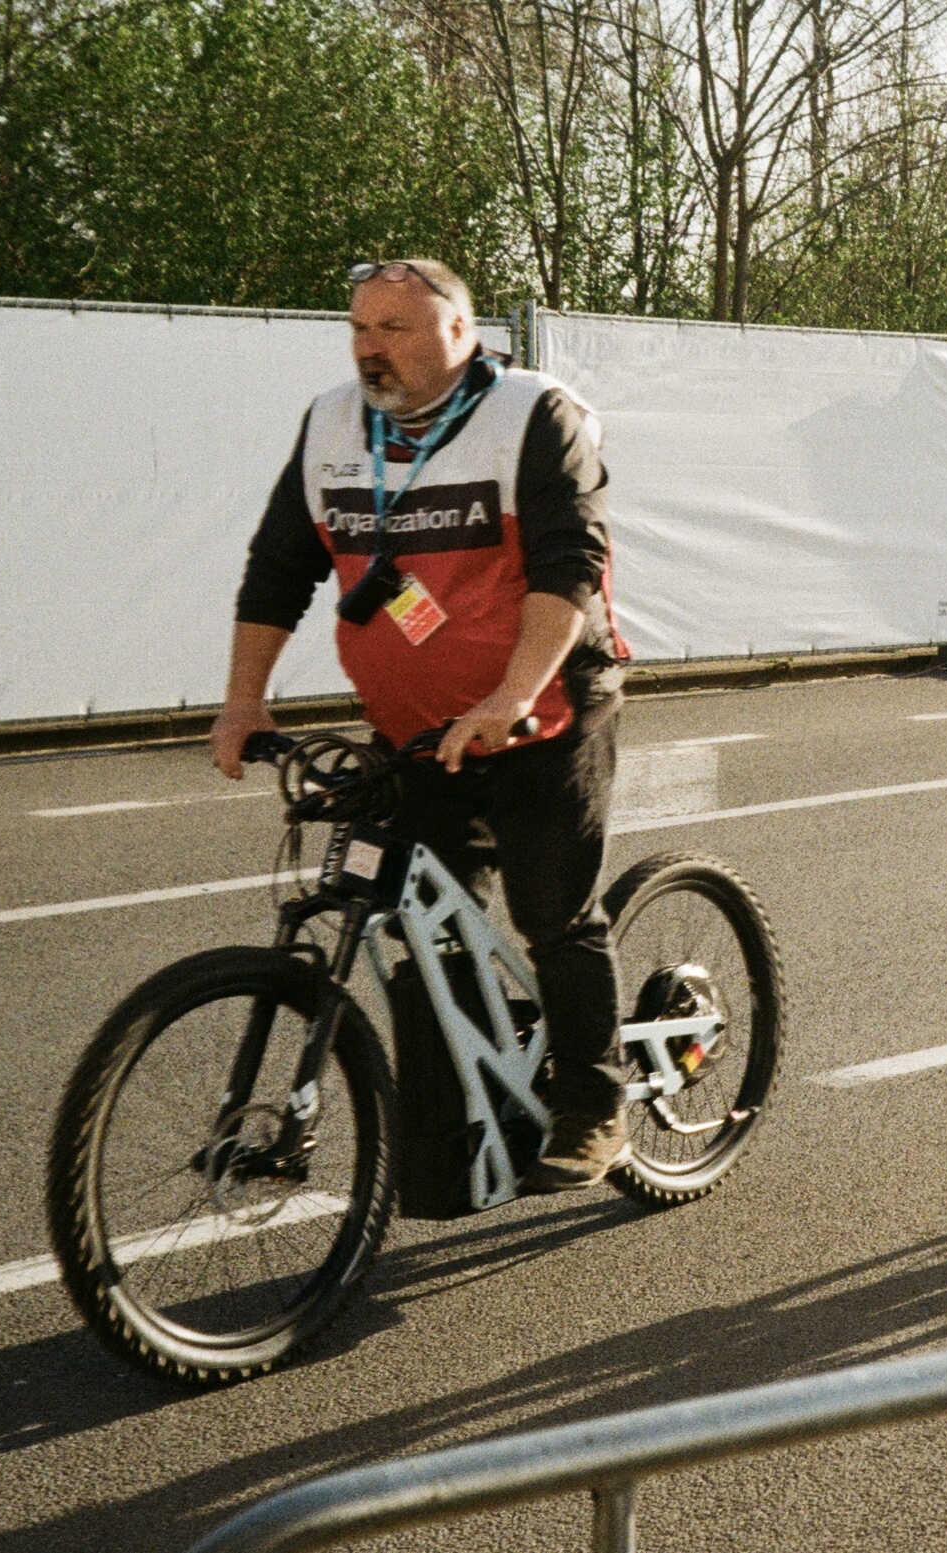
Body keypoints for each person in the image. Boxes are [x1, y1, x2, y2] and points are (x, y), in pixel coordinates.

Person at [210, 258, 634, 1190]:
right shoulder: (331, 423)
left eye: (393, 329)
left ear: (458, 333)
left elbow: (569, 564)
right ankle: (474, 1117)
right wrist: (246, 696)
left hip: (544, 714)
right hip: (414, 727)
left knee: (551, 913)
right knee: (421, 919)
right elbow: (281, 565)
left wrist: (512, 696)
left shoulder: (532, 412)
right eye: (359, 328)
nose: (370, 348)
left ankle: (595, 1100)